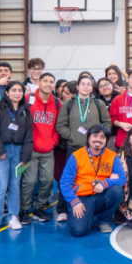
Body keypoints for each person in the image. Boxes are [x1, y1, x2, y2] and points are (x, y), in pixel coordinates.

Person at [0, 81, 33, 232]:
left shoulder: (25, 111)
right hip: (2, 151)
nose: (17, 93)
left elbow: (29, 136)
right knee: (1, 187)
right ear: (7, 92)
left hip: (18, 152)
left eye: (20, 90)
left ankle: (12, 216)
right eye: (14, 90)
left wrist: (25, 157)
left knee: (15, 186)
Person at [60, 123, 126, 236]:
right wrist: (74, 202)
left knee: (117, 191)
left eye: (102, 137)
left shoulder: (112, 156)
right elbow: (65, 182)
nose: (98, 140)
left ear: (106, 140)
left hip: (101, 194)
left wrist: (105, 183)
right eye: (95, 136)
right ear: (88, 138)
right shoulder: (77, 156)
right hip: (82, 197)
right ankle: (86, 216)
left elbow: (122, 179)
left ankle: (104, 220)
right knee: (78, 231)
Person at [19, 72, 60, 224]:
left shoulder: (56, 102)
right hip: (31, 149)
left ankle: (39, 208)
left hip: (48, 149)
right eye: (46, 81)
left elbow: (57, 125)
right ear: (39, 82)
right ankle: (23, 209)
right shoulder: (28, 99)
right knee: (29, 181)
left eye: (51, 81)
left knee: (48, 180)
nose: (48, 84)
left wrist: (53, 141)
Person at [53, 81, 78, 222]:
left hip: (82, 146)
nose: (63, 95)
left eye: (67, 93)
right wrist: (71, 137)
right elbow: (60, 126)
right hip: (65, 147)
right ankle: (62, 208)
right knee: (65, 177)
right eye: (63, 92)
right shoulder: (64, 105)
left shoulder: (90, 105)